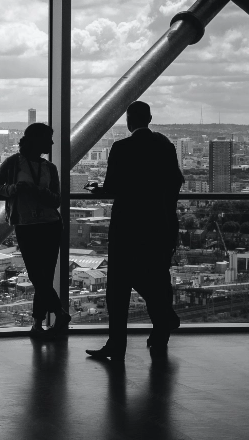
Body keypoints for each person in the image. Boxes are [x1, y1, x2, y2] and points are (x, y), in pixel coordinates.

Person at [85, 101, 184, 363]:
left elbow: (113, 187)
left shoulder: (122, 147)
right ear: (150, 118)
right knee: (157, 277)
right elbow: (176, 182)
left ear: (129, 121)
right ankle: (161, 329)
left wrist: (97, 190)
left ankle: (117, 344)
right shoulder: (166, 147)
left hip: (128, 225)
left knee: (119, 287)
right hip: (159, 224)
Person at [0, 123, 70, 338]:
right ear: (37, 141)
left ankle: (37, 324)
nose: (52, 143)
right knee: (38, 276)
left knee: (43, 276)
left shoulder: (49, 168)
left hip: (49, 224)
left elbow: (56, 200)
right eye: (48, 139)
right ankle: (58, 313)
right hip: (29, 224)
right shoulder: (13, 163)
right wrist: (14, 189)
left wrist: (35, 190)